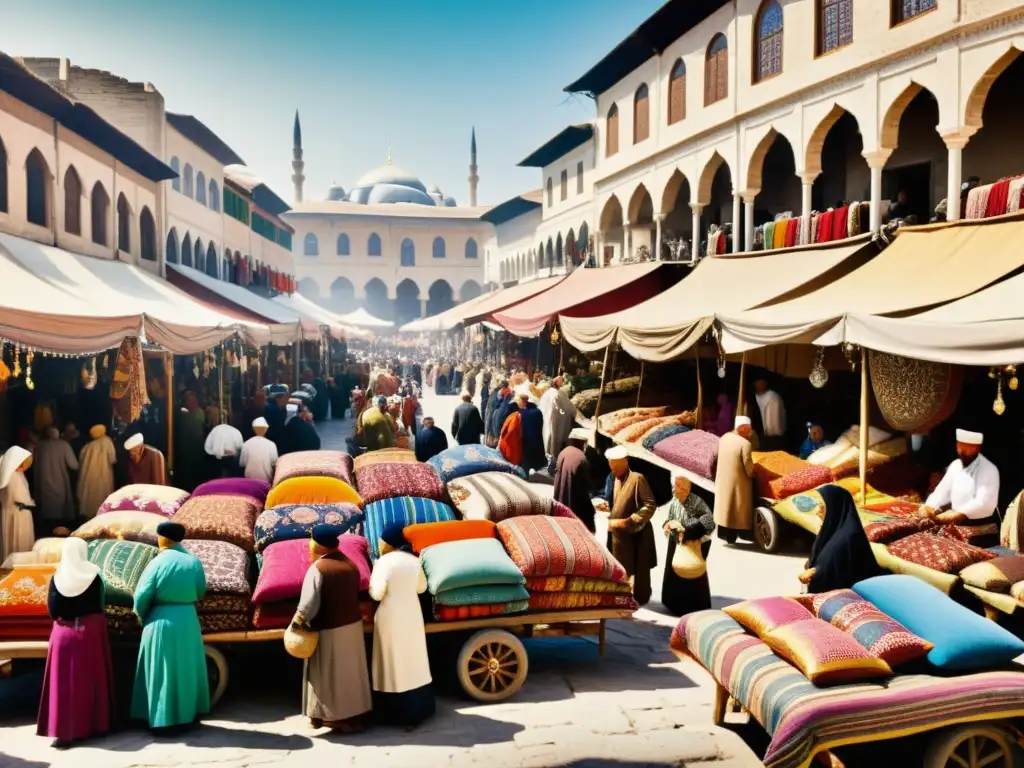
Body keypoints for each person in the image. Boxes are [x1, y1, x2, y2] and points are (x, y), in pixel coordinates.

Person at [294, 525, 373, 733]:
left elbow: (307, 605)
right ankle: (355, 715)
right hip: (353, 627)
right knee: (351, 673)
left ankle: (331, 718)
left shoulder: (318, 569)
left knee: (327, 676)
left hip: (328, 629)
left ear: (318, 545)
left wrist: (297, 623)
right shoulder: (351, 565)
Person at [132, 521, 210, 730]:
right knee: (186, 669)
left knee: (161, 669)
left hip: (160, 620)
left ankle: (162, 720)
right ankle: (188, 715)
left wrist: (141, 615)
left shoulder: (157, 562)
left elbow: (142, 596)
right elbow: (201, 591)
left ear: (163, 538)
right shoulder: (193, 562)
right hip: (187, 620)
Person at [37, 537, 114, 749]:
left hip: (62, 635)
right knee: (90, 682)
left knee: (62, 685)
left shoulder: (57, 577)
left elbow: (52, 610)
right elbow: (101, 603)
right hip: (90, 633)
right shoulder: (94, 575)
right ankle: (94, 726)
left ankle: (63, 733)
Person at [369, 523, 434, 729]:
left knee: (391, 662)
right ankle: (416, 711)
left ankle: (392, 714)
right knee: (413, 661)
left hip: (390, 618)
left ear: (387, 542)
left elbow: (377, 593)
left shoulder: (383, 563)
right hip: (412, 616)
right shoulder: (414, 561)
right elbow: (422, 587)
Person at [799, 485, 884, 593]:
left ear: (835, 505)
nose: (818, 509)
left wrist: (816, 571)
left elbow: (837, 561)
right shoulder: (832, 528)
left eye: (822, 504)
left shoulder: (849, 535)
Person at [922, 429, 1001, 544]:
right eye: (960, 446)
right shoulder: (955, 465)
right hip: (955, 522)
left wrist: (961, 514)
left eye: (967, 447)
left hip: (982, 526)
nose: (963, 451)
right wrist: (931, 506)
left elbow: (983, 501)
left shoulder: (988, 469)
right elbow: (943, 490)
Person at [605, 445, 657, 606]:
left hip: (637, 534)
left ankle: (639, 596)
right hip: (619, 535)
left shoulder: (637, 478)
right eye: (611, 466)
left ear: (624, 462)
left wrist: (629, 521)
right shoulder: (615, 479)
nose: (612, 469)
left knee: (639, 569)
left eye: (615, 466)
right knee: (620, 567)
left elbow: (649, 505)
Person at [662, 474, 715, 616]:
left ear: (685, 490)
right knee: (674, 574)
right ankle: (672, 604)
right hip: (676, 541)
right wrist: (667, 524)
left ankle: (692, 608)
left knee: (691, 575)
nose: (673, 489)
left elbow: (709, 521)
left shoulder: (696, 502)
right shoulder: (675, 501)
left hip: (693, 541)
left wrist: (685, 528)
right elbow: (670, 517)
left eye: (677, 486)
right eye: (674, 485)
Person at [714, 416, 756, 544]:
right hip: (739, 483)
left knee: (725, 508)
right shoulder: (745, 444)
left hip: (723, 480)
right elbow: (749, 468)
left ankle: (726, 535)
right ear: (742, 428)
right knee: (737, 510)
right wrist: (755, 474)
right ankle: (743, 534)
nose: (750, 431)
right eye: (749, 429)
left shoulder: (724, 437)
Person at [33, 426, 79, 526]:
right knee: (58, 511)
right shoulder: (64, 445)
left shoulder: (39, 446)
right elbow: (74, 465)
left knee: (46, 511)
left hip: (43, 482)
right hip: (59, 482)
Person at [553, 428, 596, 532]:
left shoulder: (563, 452)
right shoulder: (581, 458)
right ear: (583, 442)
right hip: (575, 503)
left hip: (560, 499)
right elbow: (586, 486)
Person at [1, 446, 36, 561]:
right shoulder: (12, 476)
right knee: (18, 541)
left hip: (20, 513)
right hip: (17, 514)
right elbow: (19, 498)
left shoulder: (18, 474)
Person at [77, 425, 116, 520]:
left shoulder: (87, 446)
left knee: (89, 499)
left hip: (88, 477)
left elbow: (80, 462)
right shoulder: (107, 441)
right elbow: (113, 459)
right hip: (104, 475)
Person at [540, 377, 577, 473]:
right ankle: (555, 466)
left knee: (548, 441)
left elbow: (541, 408)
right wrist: (574, 414)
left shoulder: (546, 394)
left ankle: (549, 464)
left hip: (547, 422)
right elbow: (569, 408)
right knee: (556, 443)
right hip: (558, 423)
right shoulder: (560, 394)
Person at [239, 417, 279, 483]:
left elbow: (242, 463)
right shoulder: (271, 444)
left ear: (253, 429)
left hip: (249, 481)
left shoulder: (246, 444)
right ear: (266, 429)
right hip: (266, 481)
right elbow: (275, 464)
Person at [754, 378, 786, 451]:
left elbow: (779, 416)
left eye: (762, 383)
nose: (760, 385)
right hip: (761, 435)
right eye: (758, 383)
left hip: (775, 436)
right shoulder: (754, 397)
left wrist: (777, 431)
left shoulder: (773, 396)